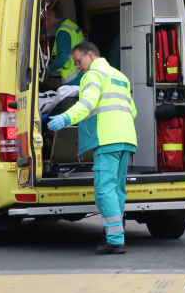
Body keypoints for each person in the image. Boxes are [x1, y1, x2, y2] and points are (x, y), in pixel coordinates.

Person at [45, 41, 136, 255]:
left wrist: (65, 117)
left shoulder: (93, 75)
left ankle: (114, 239)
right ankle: (113, 233)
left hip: (107, 139)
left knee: (104, 190)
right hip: (126, 138)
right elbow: (132, 110)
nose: (77, 66)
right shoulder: (119, 76)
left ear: (90, 55)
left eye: (78, 61)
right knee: (117, 190)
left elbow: (87, 104)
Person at [44, 1, 84, 86]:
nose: (45, 22)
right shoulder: (70, 25)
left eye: (45, 17)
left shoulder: (63, 31)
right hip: (81, 73)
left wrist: (47, 70)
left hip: (73, 78)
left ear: (50, 14)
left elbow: (62, 59)